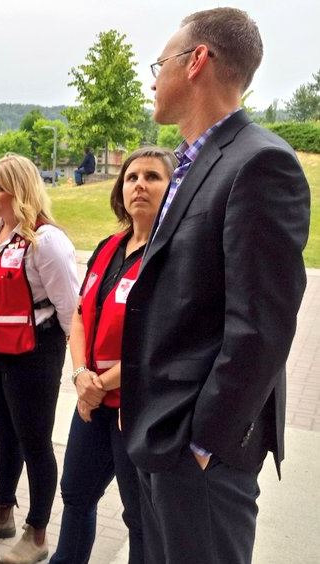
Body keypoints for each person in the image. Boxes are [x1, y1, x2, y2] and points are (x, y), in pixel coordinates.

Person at [121, 8, 310, 564]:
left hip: (199, 453)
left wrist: (203, 445)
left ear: (196, 60)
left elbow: (261, 327)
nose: (152, 78)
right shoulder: (188, 162)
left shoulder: (261, 163)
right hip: (159, 436)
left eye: (159, 64)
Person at [49, 147, 176, 564]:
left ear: (173, 187)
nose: (139, 184)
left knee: (139, 517)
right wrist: (82, 376)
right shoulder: (108, 247)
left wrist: (100, 385)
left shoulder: (170, 255)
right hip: (93, 400)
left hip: (134, 408)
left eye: (153, 177)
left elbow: (160, 341)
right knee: (76, 495)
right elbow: (82, 314)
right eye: (131, 177)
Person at [0, 153, 79, 564]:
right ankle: (1, 513)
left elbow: (72, 312)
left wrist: (75, 369)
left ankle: (38, 532)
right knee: (4, 435)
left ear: (21, 190)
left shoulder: (45, 241)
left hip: (34, 355)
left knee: (34, 442)